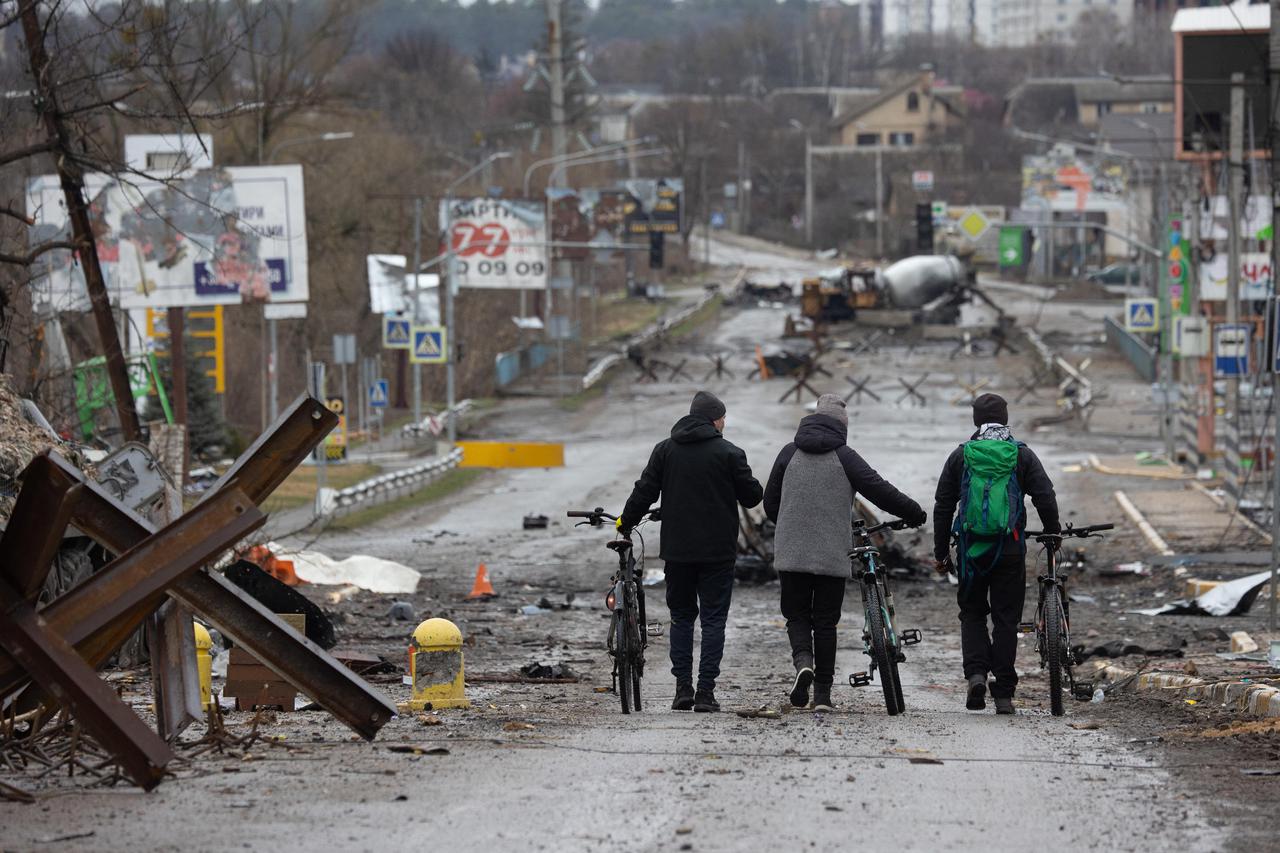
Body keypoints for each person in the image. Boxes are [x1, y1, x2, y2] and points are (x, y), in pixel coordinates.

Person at [763, 395, 926, 711]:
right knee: (825, 621)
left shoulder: (788, 452)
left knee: (796, 614)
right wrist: (914, 511)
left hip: (791, 550)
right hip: (831, 552)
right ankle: (822, 696)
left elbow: (771, 502)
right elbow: (880, 490)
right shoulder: (845, 456)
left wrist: (789, 525)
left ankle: (803, 664)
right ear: (842, 426)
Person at [620, 390, 763, 713]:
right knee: (713, 621)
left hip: (678, 551)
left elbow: (644, 491)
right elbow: (753, 496)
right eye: (723, 418)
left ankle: (682, 689)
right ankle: (706, 693)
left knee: (681, 618)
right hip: (718, 553)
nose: (724, 424)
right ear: (715, 420)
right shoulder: (729, 453)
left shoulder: (665, 450)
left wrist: (625, 523)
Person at [932, 393, 1060, 715]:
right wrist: (1053, 532)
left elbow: (943, 505)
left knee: (972, 612)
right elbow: (1044, 495)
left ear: (976, 420)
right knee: (1006, 618)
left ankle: (976, 674)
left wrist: (940, 552)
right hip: (1010, 549)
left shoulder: (962, 456)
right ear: (1005, 418)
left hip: (971, 550)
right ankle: (1003, 692)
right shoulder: (1021, 455)